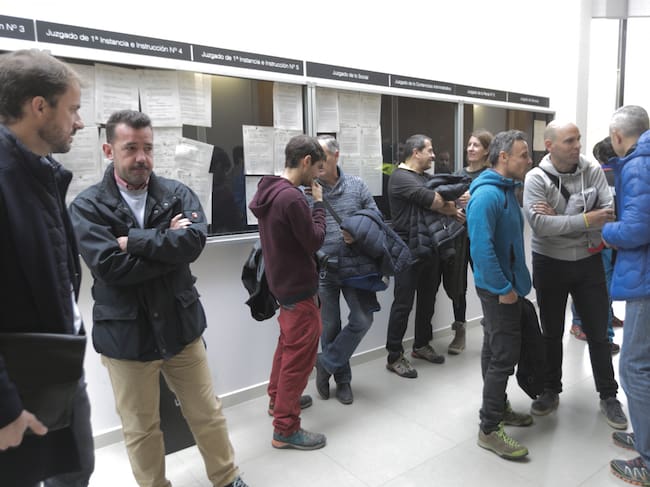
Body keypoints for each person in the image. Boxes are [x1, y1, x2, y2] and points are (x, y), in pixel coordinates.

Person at [69, 110, 247, 487]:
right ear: (109, 150)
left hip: (181, 327)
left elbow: (193, 242)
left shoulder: (176, 193)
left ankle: (227, 478)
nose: (141, 158)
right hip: (126, 336)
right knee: (141, 428)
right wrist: (167, 244)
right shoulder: (87, 206)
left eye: (147, 148)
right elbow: (111, 267)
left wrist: (133, 241)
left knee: (207, 413)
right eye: (130, 148)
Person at [0, 49, 94, 487]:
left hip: (57, 366)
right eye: (72, 109)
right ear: (39, 106)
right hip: (17, 384)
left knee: (75, 470)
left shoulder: (41, 173)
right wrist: (4, 408)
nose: (79, 122)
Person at [523, 120, 627, 430]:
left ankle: (608, 395)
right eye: (569, 141)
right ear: (550, 145)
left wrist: (562, 219)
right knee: (551, 331)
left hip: (588, 261)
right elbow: (540, 226)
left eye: (578, 139)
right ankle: (550, 389)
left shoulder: (591, 170)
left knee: (599, 333)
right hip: (549, 263)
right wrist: (585, 219)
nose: (577, 145)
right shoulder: (535, 177)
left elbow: (607, 212)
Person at [249, 134, 327, 450]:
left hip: (281, 286)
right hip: (299, 288)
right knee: (299, 359)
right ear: (306, 161)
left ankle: (276, 399)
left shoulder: (269, 190)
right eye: (318, 168)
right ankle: (285, 427)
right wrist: (318, 205)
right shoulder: (293, 199)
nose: (318, 176)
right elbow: (314, 240)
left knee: (286, 346)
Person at [467, 129, 534, 460]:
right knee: (504, 356)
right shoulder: (487, 196)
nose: (529, 160)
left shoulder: (506, 190)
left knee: (494, 349)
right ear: (504, 157)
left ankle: (498, 407)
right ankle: (489, 428)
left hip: (506, 286)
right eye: (524, 155)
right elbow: (481, 250)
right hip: (499, 290)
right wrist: (504, 290)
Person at [385, 134, 464, 378]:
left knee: (428, 299)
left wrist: (449, 204)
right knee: (403, 304)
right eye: (429, 150)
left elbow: (447, 200)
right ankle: (394, 356)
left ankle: (421, 345)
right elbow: (436, 201)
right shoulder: (401, 177)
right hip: (406, 251)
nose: (433, 155)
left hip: (429, 248)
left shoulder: (424, 177)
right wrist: (451, 207)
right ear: (416, 152)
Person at [312, 135, 380, 405]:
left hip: (355, 268)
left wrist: (358, 232)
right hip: (324, 270)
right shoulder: (308, 190)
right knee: (329, 327)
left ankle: (325, 363)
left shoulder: (356, 185)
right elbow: (303, 231)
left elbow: (375, 217)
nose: (318, 163)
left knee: (362, 319)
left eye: (323, 157)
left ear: (336, 155)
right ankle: (343, 381)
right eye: (314, 157)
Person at [603, 105, 650, 487]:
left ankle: (646, 460)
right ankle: (645, 435)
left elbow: (636, 229)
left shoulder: (637, 165)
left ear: (618, 136)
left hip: (645, 281)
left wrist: (606, 230)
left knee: (633, 367)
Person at [569, 136, 621, 354]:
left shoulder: (595, 177)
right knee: (601, 287)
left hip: (601, 239)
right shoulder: (615, 176)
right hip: (608, 240)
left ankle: (584, 323)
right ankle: (599, 332)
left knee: (596, 285)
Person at [446, 130, 494, 355]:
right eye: (469, 144)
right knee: (458, 286)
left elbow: (494, 204)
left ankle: (492, 328)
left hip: (481, 238)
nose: (470, 149)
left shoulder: (490, 176)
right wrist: (454, 207)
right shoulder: (458, 175)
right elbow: (445, 201)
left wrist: (473, 201)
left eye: (476, 145)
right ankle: (459, 330)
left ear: (486, 150)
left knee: (486, 283)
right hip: (458, 238)